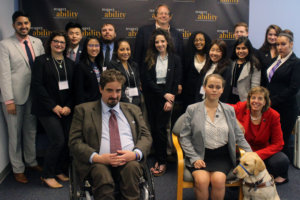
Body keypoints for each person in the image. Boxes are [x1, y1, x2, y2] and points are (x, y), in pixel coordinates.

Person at [69, 69, 152, 200]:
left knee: (132, 169)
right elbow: (74, 142)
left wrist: (135, 154)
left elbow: (146, 137)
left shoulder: (133, 110)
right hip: (98, 162)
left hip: (129, 160)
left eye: (118, 91)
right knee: (102, 175)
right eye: (109, 90)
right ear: (100, 89)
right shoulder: (83, 110)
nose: (114, 95)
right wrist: (97, 158)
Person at [180, 74, 252, 200]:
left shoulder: (229, 110)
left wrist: (251, 154)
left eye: (218, 87)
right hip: (199, 155)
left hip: (222, 156)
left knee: (218, 180)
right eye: (211, 86)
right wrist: (194, 158)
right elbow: (184, 137)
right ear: (204, 88)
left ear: (222, 90)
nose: (214, 90)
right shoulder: (192, 109)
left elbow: (239, 136)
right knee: (201, 181)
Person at [0, 11, 44, 183]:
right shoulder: (5, 45)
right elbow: (4, 75)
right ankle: (18, 168)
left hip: (34, 96)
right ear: (14, 25)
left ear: (29, 24)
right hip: (14, 98)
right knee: (15, 134)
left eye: (26, 23)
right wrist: (8, 100)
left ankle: (31, 161)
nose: (23, 26)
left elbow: (41, 68)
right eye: (20, 24)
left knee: (31, 131)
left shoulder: (37, 42)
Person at [31, 31, 74, 188]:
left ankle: (57, 170)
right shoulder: (41, 61)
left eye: (62, 42)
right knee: (57, 140)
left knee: (66, 140)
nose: (59, 44)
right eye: (56, 41)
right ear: (50, 43)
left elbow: (73, 89)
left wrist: (68, 106)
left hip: (65, 109)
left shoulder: (70, 63)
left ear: (66, 45)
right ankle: (47, 175)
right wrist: (53, 106)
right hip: (46, 109)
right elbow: (37, 86)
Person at [231, 86, 289, 185]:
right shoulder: (241, 107)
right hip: (241, 152)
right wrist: (236, 122)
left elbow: (278, 144)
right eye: (253, 98)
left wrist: (256, 155)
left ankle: (270, 178)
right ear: (249, 99)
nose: (256, 101)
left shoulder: (273, 115)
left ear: (265, 101)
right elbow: (222, 107)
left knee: (281, 160)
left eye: (260, 98)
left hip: (262, 153)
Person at [143, 28, 181, 176]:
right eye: (157, 41)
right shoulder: (150, 57)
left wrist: (170, 99)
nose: (160, 44)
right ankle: (160, 157)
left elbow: (176, 80)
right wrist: (163, 94)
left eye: (162, 41)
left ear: (167, 42)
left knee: (160, 129)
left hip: (168, 97)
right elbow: (148, 80)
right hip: (153, 96)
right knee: (154, 128)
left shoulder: (175, 58)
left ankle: (162, 161)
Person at [134, 3, 183, 92]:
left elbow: (180, 59)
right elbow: (137, 57)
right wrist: (138, 79)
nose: (163, 16)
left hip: (170, 83)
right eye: (161, 13)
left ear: (170, 17)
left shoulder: (177, 34)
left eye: (166, 14)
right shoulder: (144, 31)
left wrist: (179, 82)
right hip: (148, 80)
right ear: (155, 16)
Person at [266, 30, 300, 160]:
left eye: (283, 44)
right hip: (272, 106)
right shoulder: (276, 60)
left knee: (282, 140)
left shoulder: (296, 62)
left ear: (291, 44)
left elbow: (294, 88)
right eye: (277, 44)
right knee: (272, 139)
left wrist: (273, 100)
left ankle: (283, 172)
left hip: (286, 108)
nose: (279, 47)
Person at [108, 38, 142, 107]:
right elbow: (116, 86)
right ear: (116, 51)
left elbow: (137, 85)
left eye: (128, 49)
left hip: (136, 102)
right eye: (122, 50)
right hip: (120, 102)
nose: (126, 52)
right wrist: (128, 103)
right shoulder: (112, 65)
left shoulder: (134, 65)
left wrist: (135, 102)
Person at [182, 31, 211, 110]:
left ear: (206, 41)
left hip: (206, 93)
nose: (198, 42)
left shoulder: (210, 56)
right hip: (189, 93)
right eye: (196, 40)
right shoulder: (188, 55)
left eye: (201, 40)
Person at [228, 36, 261, 103]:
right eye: (238, 48)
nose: (240, 51)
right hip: (229, 99)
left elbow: (255, 87)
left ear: (249, 49)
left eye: (244, 48)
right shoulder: (232, 63)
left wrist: (251, 101)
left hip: (245, 100)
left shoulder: (254, 64)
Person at [73, 36, 103, 105]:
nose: (94, 48)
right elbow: (78, 92)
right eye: (91, 45)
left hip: (99, 104)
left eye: (96, 45)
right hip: (87, 106)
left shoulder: (98, 64)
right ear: (85, 47)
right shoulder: (80, 66)